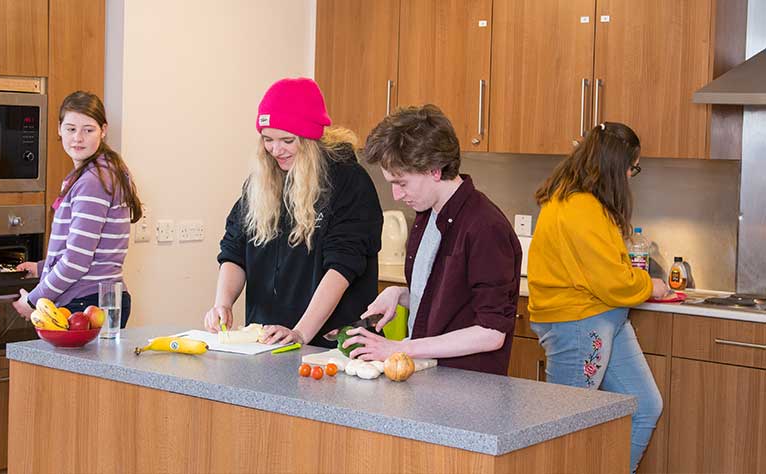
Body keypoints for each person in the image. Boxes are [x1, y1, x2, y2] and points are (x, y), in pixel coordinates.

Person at [527, 122, 668, 473]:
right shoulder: (580, 208)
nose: (630, 176)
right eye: (631, 167)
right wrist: (650, 285)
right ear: (614, 165)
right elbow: (612, 281)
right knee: (567, 426)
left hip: (602, 318)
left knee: (645, 406)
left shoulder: (579, 200)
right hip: (579, 323)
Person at [202, 77, 383, 348]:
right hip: (268, 341)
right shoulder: (261, 182)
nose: (276, 150)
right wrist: (222, 304)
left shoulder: (347, 182)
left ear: (310, 139)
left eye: (287, 140)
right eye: (268, 140)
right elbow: (235, 249)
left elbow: (342, 266)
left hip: (330, 345)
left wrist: (300, 333)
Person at [348, 104, 522, 375]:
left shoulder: (485, 226)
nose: (396, 195)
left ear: (434, 170)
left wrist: (400, 348)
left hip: (467, 385)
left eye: (402, 183)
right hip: (429, 378)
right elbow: (448, 299)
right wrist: (400, 294)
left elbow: (491, 332)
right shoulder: (426, 215)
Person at [12, 91, 141, 328]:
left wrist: (33, 300)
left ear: (103, 130)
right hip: (98, 298)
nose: (78, 138)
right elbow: (90, 247)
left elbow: (77, 260)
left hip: (86, 303)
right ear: (59, 129)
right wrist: (42, 268)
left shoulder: (92, 181)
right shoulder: (101, 171)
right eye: (71, 129)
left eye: (88, 130)